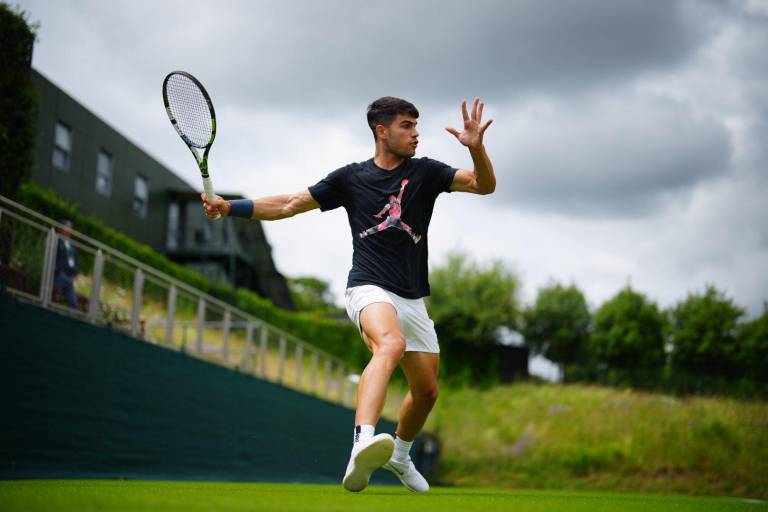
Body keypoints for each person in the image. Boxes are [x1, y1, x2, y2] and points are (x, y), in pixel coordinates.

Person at [202, 97, 495, 492]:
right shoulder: (350, 178)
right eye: (407, 125)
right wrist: (229, 207)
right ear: (382, 131)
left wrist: (476, 149)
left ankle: (399, 456)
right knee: (390, 344)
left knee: (426, 392)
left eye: (416, 125)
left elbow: (483, 186)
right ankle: (361, 443)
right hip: (368, 286)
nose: (416, 133)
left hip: (412, 297)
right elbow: (289, 204)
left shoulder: (427, 172)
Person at [53, 220, 78, 309]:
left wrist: (75, 272)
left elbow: (75, 260)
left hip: (70, 276)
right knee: (54, 294)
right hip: (60, 273)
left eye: (70, 228)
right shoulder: (57, 240)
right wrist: (57, 270)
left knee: (73, 302)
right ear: (61, 228)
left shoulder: (72, 245)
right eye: (66, 227)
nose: (68, 229)